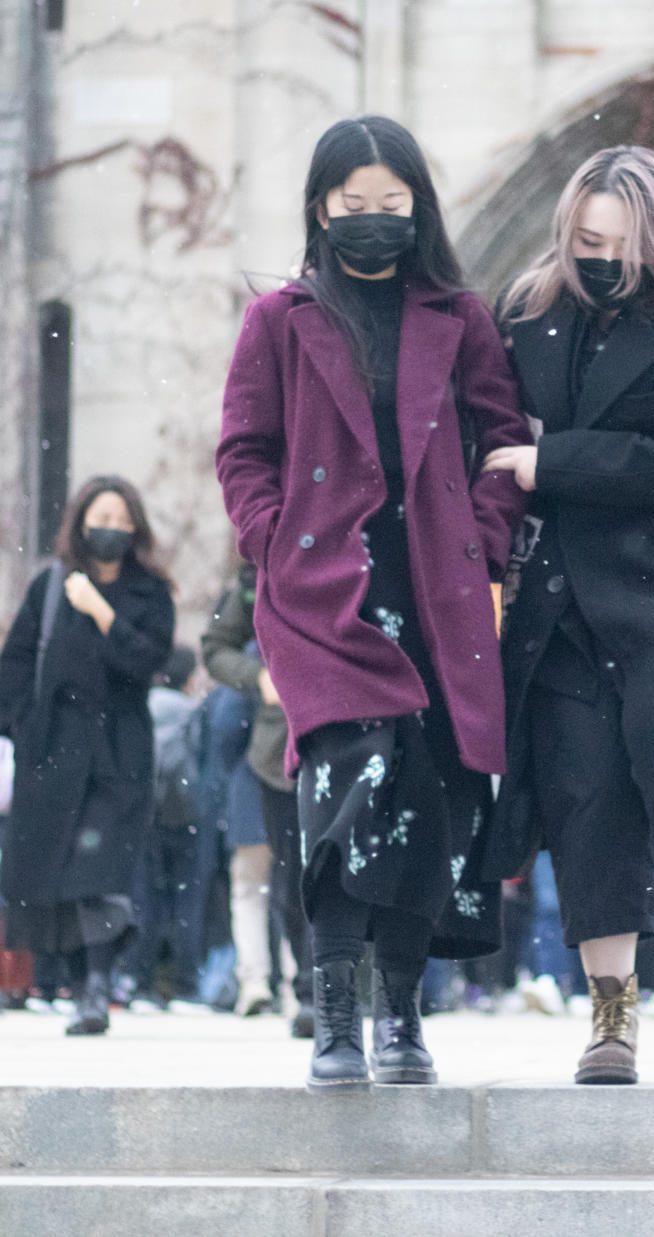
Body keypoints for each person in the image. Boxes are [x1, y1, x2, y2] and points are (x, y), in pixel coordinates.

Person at [216, 115, 529, 1088]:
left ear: (418, 209)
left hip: (437, 588)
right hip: (325, 589)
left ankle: (403, 1013)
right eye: (354, 205)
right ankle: (334, 1015)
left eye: (392, 205)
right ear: (321, 208)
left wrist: (485, 539)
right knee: (343, 794)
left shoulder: (460, 316)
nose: (373, 222)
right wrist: (274, 541)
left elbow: (502, 436)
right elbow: (242, 451)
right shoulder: (280, 320)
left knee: (428, 795)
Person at [483, 143, 654, 1084]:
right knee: (585, 792)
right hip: (560, 589)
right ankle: (611, 1013)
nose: (600, 256)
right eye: (586, 238)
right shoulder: (526, 315)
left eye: (622, 242)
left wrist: (552, 459)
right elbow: (490, 433)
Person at [0, 475, 175, 1035]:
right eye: (103, 518)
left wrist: (103, 613)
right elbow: (16, 664)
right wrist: (24, 728)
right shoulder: (50, 586)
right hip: (52, 750)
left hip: (119, 752)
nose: (113, 530)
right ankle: (82, 987)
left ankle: (98, 984)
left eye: (124, 522)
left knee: (98, 871)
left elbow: (148, 662)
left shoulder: (151, 593)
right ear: (80, 522)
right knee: (53, 874)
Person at [202, 566, 314, 1036]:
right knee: (271, 879)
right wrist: (261, 676)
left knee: (295, 880)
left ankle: (300, 985)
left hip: (336, 738)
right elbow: (216, 649)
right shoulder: (255, 578)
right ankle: (281, 985)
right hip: (268, 759)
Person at [128, 644, 206, 1009]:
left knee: (144, 899)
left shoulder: (139, 706)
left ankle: (139, 983)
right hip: (188, 816)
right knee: (187, 902)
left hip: (145, 817)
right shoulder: (194, 712)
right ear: (189, 678)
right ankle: (185, 988)